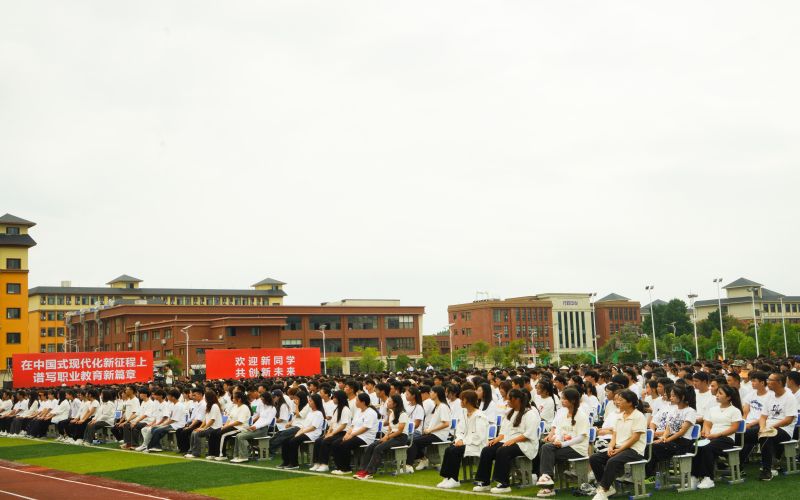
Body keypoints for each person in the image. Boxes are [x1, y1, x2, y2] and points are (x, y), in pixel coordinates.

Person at [473, 388, 541, 494]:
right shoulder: (509, 413)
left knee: (502, 451)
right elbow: (504, 432)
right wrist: (497, 439)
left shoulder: (530, 413)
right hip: (509, 441)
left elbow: (529, 434)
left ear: (517, 400)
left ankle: (503, 484)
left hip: (525, 444)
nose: (507, 401)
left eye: (510, 399)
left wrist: (513, 440)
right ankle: (484, 482)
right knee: (487, 450)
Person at [588, 389, 647, 500]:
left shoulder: (638, 416)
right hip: (618, 447)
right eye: (617, 400)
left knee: (612, 460)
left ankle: (603, 489)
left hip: (634, 450)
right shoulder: (620, 416)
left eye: (620, 400)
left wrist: (618, 450)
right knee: (594, 458)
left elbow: (635, 438)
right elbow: (615, 434)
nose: (617, 402)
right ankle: (608, 487)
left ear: (629, 402)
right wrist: (610, 447)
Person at [536, 387, 591, 497]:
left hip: (577, 448)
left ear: (573, 401)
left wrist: (563, 444)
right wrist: (557, 440)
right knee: (546, 447)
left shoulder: (581, 415)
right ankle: (547, 478)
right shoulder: (562, 413)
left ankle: (547, 482)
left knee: (547, 451)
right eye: (562, 398)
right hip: (564, 446)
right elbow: (560, 431)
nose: (562, 401)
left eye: (565, 399)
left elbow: (581, 437)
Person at [690, 385, 743, 489]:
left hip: (726, 438)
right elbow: (707, 424)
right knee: (695, 447)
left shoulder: (735, 410)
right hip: (712, 437)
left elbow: (734, 428)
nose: (717, 395)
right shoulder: (713, 409)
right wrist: (707, 433)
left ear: (728, 397)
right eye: (717, 393)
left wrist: (717, 435)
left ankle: (708, 478)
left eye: (720, 393)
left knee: (707, 448)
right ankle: (694, 477)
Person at [436, 389, 488, 489]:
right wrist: (459, 440)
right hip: (464, 443)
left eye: (462, 400)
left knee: (455, 451)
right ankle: (447, 477)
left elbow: (479, 436)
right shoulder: (464, 413)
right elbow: (460, 430)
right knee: (449, 449)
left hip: (476, 445)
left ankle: (454, 479)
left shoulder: (480, 416)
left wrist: (463, 442)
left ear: (468, 401)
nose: (460, 402)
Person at [645, 384, 697, 477]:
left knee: (654, 447)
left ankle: (649, 474)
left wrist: (667, 440)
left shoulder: (690, 411)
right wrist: (663, 438)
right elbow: (668, 428)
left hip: (683, 443)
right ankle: (651, 474)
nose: (670, 397)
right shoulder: (673, 410)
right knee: (650, 446)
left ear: (682, 397)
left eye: (673, 396)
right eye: (671, 395)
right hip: (672, 440)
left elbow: (682, 432)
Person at [354, 394, 409, 480]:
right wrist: (386, 436)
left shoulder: (403, 414)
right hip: (391, 436)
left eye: (390, 401)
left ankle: (370, 472)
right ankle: (363, 470)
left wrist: (387, 437)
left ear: (395, 404)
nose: (388, 403)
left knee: (378, 448)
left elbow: (400, 431)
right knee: (370, 446)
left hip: (401, 438)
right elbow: (390, 429)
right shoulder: (392, 414)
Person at [757, 372, 798, 480]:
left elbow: (788, 420)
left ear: (779, 383)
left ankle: (767, 471)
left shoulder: (789, 397)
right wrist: (762, 427)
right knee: (745, 434)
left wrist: (769, 428)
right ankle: (738, 468)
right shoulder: (769, 396)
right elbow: (763, 416)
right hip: (767, 427)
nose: (767, 382)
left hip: (784, 430)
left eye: (770, 380)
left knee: (765, 436)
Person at [330, 393, 380, 475]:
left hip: (365, 437)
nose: (355, 402)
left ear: (363, 402)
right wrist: (347, 434)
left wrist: (352, 435)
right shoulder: (358, 411)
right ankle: (339, 467)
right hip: (354, 435)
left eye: (357, 400)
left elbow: (365, 428)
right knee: (335, 443)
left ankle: (346, 469)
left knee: (344, 445)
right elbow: (353, 425)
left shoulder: (371, 412)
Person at [405, 385, 451, 472]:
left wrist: (430, 430)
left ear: (436, 394)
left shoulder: (443, 406)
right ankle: (423, 459)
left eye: (431, 392)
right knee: (409, 441)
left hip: (439, 435)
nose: (430, 393)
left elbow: (446, 424)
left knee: (413, 442)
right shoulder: (437, 406)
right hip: (432, 433)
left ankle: (409, 465)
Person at [279, 393, 325, 469]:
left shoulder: (319, 413)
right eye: (309, 401)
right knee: (285, 441)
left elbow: (313, 428)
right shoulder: (310, 413)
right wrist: (299, 432)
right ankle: (286, 462)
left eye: (310, 401)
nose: (309, 403)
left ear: (316, 402)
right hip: (305, 432)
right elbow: (304, 426)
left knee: (293, 441)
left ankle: (294, 463)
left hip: (312, 434)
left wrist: (301, 432)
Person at [311, 390, 350, 471]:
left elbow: (343, 425)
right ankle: (316, 463)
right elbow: (332, 424)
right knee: (318, 441)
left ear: (339, 398)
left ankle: (324, 464)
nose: (333, 399)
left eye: (335, 397)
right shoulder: (336, 409)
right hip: (334, 432)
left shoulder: (345, 409)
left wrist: (332, 434)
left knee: (325, 441)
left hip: (342, 433)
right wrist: (329, 432)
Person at [232, 391, 276, 463]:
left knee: (241, 437)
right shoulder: (263, 407)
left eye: (262, 399)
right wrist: (253, 426)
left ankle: (243, 457)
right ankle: (236, 456)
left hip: (262, 430)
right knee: (238, 435)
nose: (261, 401)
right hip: (257, 428)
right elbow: (261, 419)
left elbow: (268, 421)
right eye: (261, 399)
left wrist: (256, 426)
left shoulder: (272, 408)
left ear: (267, 399)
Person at [740, 371, 772, 464]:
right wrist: (743, 423)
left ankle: (739, 463)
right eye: (751, 381)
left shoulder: (770, 396)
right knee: (740, 433)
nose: (752, 383)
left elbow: (767, 416)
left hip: (762, 423)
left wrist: (750, 424)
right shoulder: (750, 395)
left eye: (754, 381)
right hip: (748, 423)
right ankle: (738, 463)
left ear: (762, 383)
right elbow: (745, 412)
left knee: (745, 435)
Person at [211, 391, 252, 461]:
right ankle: (214, 453)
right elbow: (229, 418)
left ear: (239, 399)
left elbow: (239, 422)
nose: (232, 399)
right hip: (232, 426)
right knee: (214, 432)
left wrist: (227, 426)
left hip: (240, 428)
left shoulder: (244, 407)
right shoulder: (235, 407)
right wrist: (225, 426)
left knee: (222, 434)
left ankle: (222, 455)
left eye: (233, 398)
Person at [185, 389, 223, 459]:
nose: (205, 399)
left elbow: (212, 420)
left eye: (206, 398)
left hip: (215, 427)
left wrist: (204, 428)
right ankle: (191, 451)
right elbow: (206, 419)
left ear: (209, 398)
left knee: (197, 434)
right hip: (209, 427)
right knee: (194, 431)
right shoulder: (209, 405)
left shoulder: (215, 406)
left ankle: (196, 453)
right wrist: (200, 427)